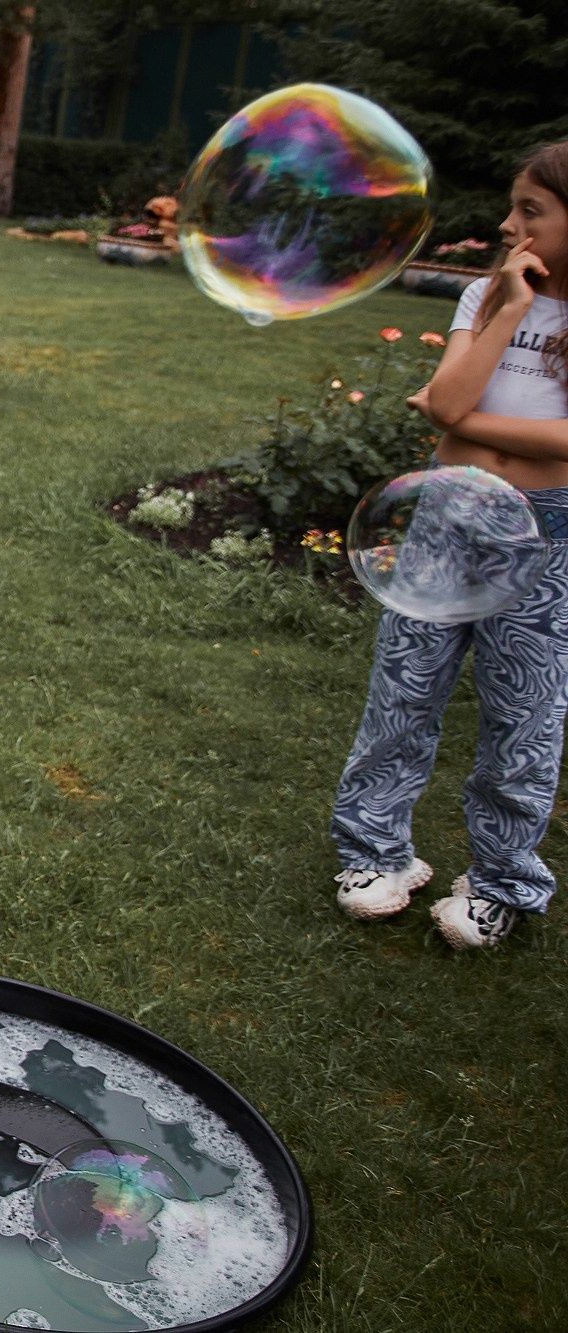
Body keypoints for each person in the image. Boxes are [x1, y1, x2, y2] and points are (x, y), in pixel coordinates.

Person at [331, 141, 568, 950]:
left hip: (547, 530)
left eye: (531, 210)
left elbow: (461, 412)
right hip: (447, 515)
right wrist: (509, 309)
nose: (508, 224)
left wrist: (462, 418)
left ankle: (502, 882)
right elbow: (447, 404)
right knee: (403, 691)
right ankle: (373, 852)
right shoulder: (484, 297)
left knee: (524, 716)